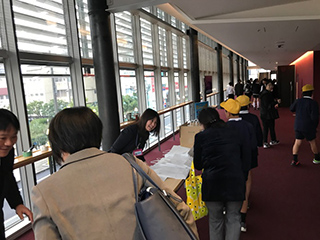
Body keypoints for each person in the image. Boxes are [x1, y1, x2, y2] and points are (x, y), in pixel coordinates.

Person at [31, 107, 198, 240]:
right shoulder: (131, 164)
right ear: (97, 134)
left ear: (58, 144)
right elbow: (180, 208)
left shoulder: (43, 192)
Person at [193, 107, 248, 240]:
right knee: (234, 218)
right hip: (235, 181)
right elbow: (245, 158)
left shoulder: (200, 137)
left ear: (203, 123)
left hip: (213, 184)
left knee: (215, 220)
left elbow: (198, 165)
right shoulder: (235, 132)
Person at [0, 109, 33, 240]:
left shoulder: (7, 153)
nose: (9, 143)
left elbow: (7, 176)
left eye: (13, 136)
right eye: (3, 138)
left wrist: (17, 204)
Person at [236, 95, 263, 232]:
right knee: (248, 177)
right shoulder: (253, 119)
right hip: (250, 154)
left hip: (234, 155)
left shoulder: (229, 123)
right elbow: (259, 136)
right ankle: (246, 200)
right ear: (248, 105)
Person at [290, 84, 320, 166]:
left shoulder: (298, 101)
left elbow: (291, 109)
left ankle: (294, 160)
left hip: (298, 125)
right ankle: (317, 158)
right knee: (312, 142)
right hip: (308, 126)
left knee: (297, 142)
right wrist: (315, 126)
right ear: (312, 93)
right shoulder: (313, 103)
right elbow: (315, 117)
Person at [259, 80, 280, 148]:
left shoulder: (267, 93)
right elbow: (267, 105)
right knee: (266, 128)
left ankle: (273, 140)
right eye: (269, 85)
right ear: (266, 86)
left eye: (272, 85)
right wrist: (275, 102)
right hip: (266, 114)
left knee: (271, 127)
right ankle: (265, 142)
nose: (271, 87)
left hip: (268, 113)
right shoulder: (265, 94)